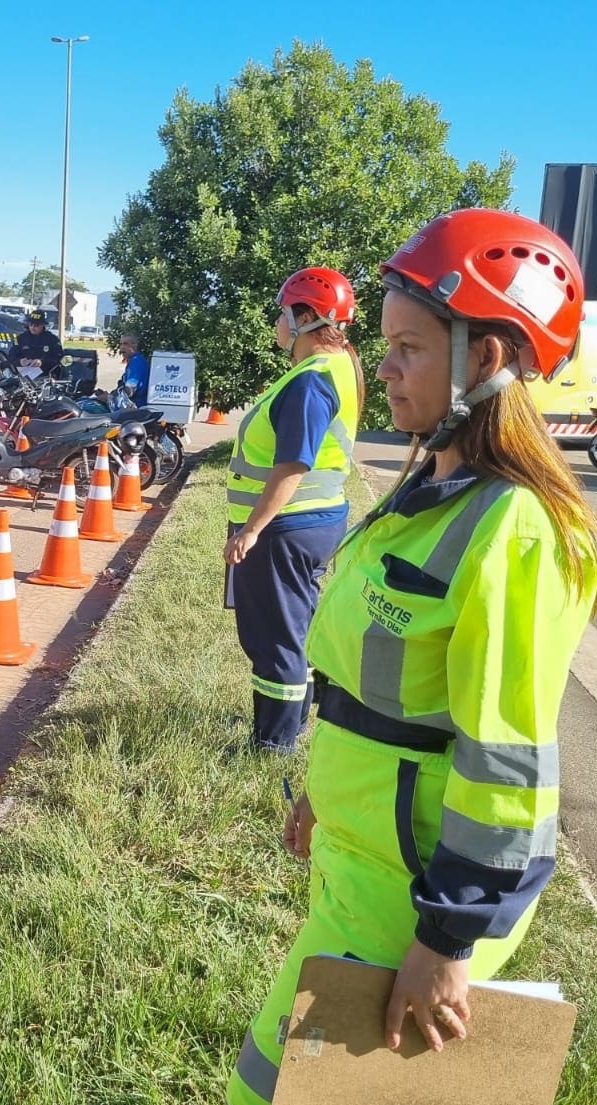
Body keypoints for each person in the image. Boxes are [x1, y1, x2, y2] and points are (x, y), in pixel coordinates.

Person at [214, 209, 597, 1105]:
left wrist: (445, 945)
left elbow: (506, 765)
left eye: (404, 349)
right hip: (365, 864)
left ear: (486, 358)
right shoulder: (429, 482)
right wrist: (322, 789)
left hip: (411, 907)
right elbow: (369, 688)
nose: (379, 371)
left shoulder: (513, 528)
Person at [221, 267, 365, 751]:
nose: (277, 325)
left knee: (274, 639)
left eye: (282, 314)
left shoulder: (310, 381)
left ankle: (272, 742)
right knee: (295, 628)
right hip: (314, 520)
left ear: (303, 318)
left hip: (285, 527)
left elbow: (293, 464)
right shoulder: (337, 365)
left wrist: (251, 530)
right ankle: (292, 723)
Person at [13, 308, 64, 378]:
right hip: (23, 375)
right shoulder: (20, 339)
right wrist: (19, 361)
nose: (33, 327)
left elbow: (58, 358)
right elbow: (11, 356)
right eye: (31, 324)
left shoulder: (52, 339)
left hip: (45, 375)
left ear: (43, 325)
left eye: (36, 325)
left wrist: (42, 362)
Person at [115, 333, 149, 405]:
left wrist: (109, 398)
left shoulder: (137, 362)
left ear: (134, 345)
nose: (122, 347)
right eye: (121, 344)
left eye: (125, 344)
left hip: (135, 407)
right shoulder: (134, 360)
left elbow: (129, 391)